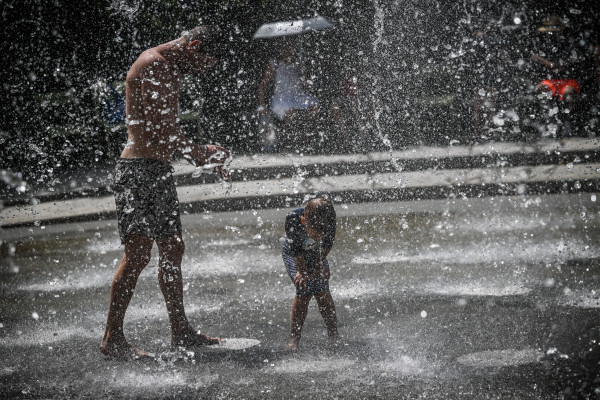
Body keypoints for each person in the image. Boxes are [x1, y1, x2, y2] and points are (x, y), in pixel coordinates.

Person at [100, 26, 231, 359]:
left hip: (156, 170)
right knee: (139, 253)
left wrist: (199, 152)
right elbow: (160, 130)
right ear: (195, 46)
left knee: (173, 248)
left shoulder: (169, 66)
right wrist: (200, 153)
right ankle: (112, 338)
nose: (203, 70)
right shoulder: (155, 63)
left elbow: (165, 131)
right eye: (205, 63)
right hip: (136, 172)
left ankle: (181, 331)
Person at [281, 197, 339, 351]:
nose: (319, 237)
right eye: (314, 234)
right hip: (294, 253)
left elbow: (326, 246)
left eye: (322, 235)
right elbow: (297, 252)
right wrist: (303, 271)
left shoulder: (329, 219)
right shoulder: (293, 219)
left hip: (317, 252)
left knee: (322, 290)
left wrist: (319, 265)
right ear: (303, 220)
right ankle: (294, 337)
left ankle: (334, 335)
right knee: (304, 289)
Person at [257, 42, 319, 151]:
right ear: (281, 50)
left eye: (290, 48)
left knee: (314, 105)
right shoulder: (275, 63)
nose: (288, 51)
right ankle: (289, 139)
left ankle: (306, 135)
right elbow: (262, 85)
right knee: (291, 111)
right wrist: (261, 105)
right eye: (285, 49)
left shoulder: (298, 64)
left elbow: (304, 86)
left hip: (297, 95)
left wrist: (303, 73)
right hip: (282, 98)